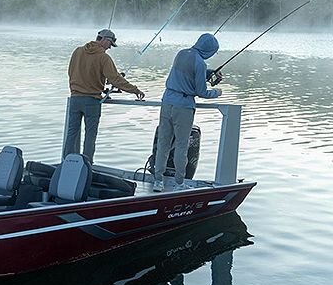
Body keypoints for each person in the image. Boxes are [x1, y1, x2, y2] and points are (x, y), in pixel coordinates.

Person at [152, 33, 222, 191]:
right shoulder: (200, 63)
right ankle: (179, 183)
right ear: (209, 50)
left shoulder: (181, 53)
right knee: (181, 146)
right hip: (183, 107)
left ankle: (158, 181)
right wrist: (217, 92)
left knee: (163, 143)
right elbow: (201, 91)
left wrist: (208, 72)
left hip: (167, 102)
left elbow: (187, 71)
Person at [64, 29, 144, 162]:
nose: (109, 48)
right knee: (90, 136)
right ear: (105, 40)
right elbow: (115, 79)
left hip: (75, 98)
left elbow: (71, 72)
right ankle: (86, 164)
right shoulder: (103, 57)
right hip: (92, 101)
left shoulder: (77, 51)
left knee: (71, 133)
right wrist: (135, 90)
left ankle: (67, 163)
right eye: (110, 44)